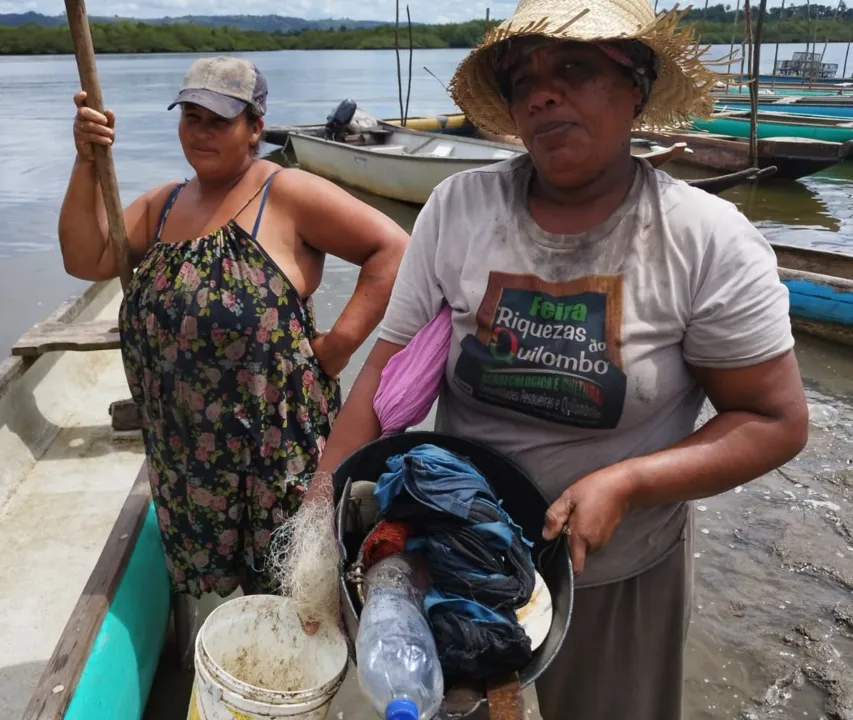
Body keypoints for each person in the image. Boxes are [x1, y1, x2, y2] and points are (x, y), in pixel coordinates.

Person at [306, 1, 809, 718]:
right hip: (456, 548)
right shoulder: (458, 209)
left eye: (573, 68)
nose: (542, 93)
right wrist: (320, 517)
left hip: (614, 566)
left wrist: (629, 482)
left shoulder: (703, 239)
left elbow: (773, 419)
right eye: (523, 80)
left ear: (634, 85)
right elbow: (381, 382)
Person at [58, 57, 407, 618]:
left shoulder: (286, 192)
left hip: (273, 456)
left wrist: (340, 344)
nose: (201, 131)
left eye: (218, 119)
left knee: (294, 601)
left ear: (254, 127)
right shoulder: (165, 202)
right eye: (191, 116)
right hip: (187, 459)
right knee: (232, 601)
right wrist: (85, 160)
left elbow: (393, 250)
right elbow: (84, 257)